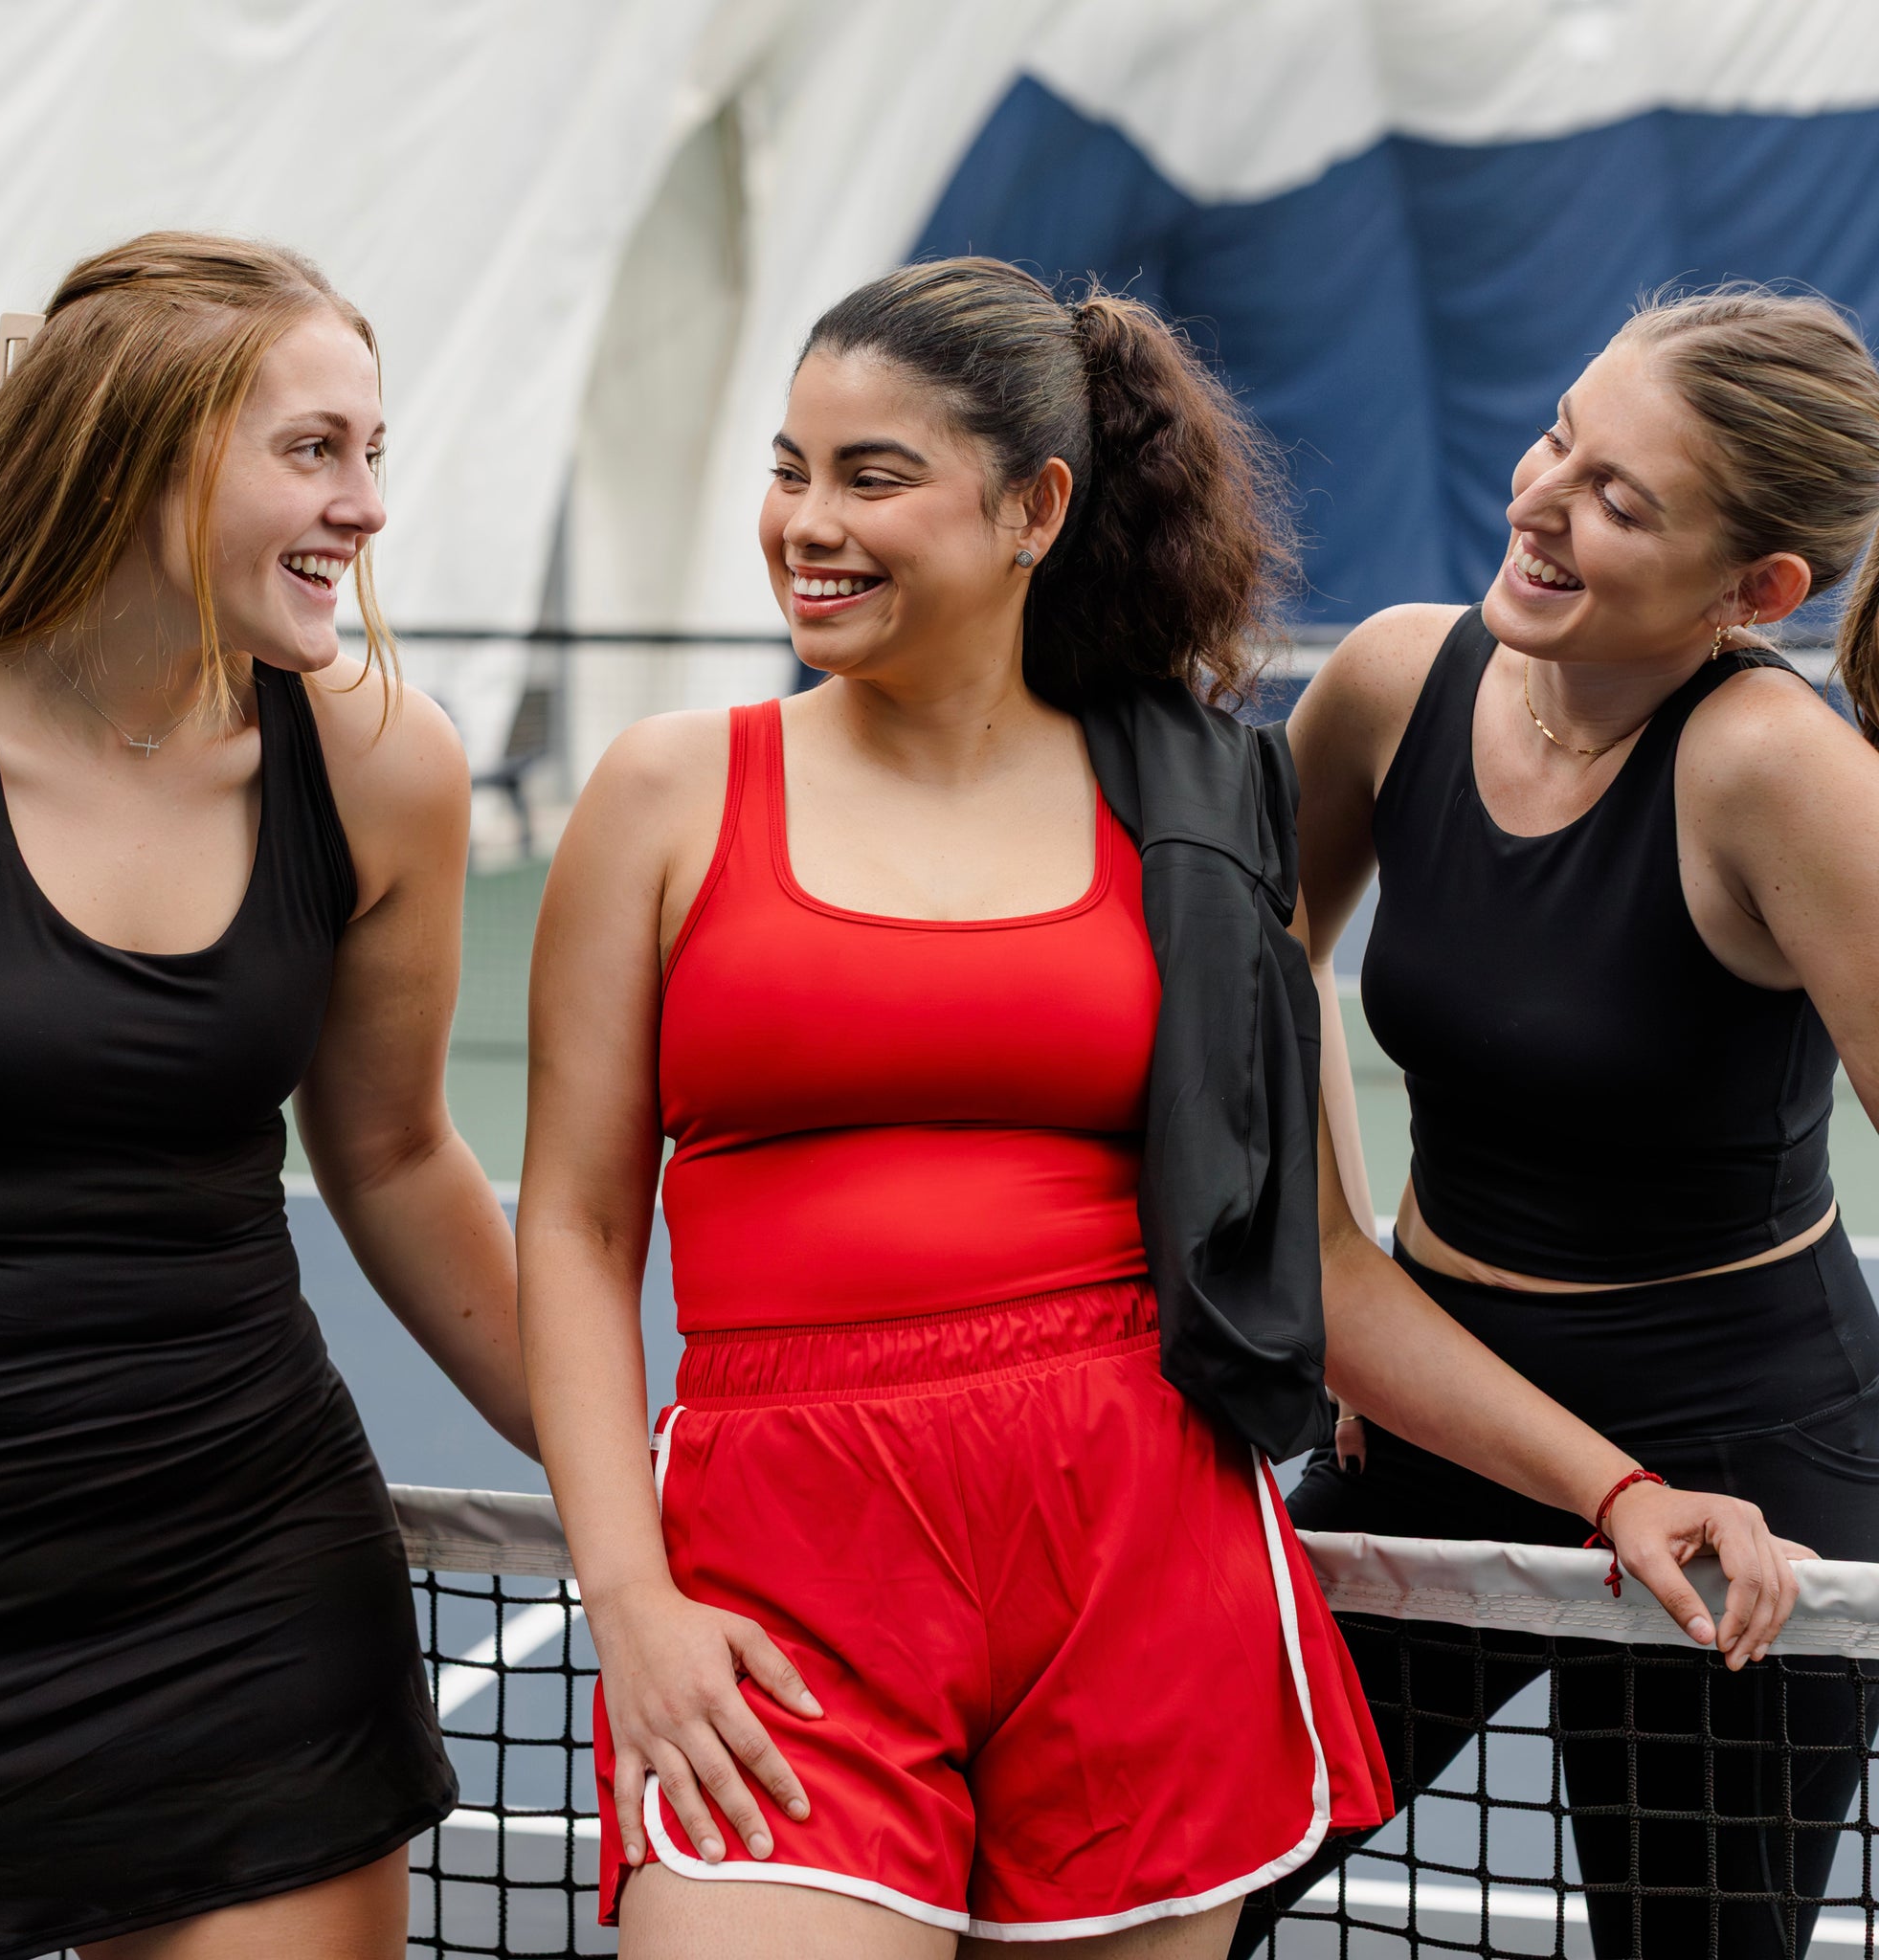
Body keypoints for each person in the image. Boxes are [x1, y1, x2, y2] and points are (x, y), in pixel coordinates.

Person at [518, 257, 1796, 1959]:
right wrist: (632, 1600)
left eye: (871, 476)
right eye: (786, 467)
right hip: (786, 1572)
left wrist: (1614, 1487)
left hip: (1137, 1567)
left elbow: (1312, 1261)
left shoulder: (1197, 815)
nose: (803, 525)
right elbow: (578, 1223)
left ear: (1037, 505)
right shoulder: (669, 791)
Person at [1236, 287, 1879, 1960]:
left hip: (1743, 1474)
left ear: (1759, 592)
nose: (1540, 501)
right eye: (1555, 440)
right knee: (1179, 1888)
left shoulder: (1778, 773)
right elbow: (1269, 966)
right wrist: (1347, 1274)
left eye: (1620, 499)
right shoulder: (1390, 680)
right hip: (1433, 1418)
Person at [0, 234, 531, 1960]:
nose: (367, 507)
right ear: (139, 456)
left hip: (241, 1565)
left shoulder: (377, 762)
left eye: (374, 452)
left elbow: (399, 1151)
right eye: (314, 451)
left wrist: (611, 1462)